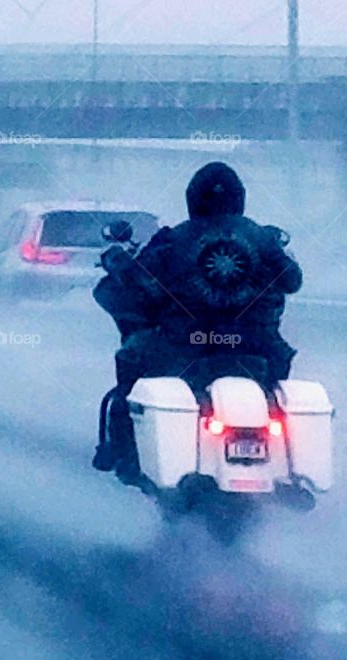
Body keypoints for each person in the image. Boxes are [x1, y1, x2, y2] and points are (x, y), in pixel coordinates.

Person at [92, 161, 302, 479]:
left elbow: (141, 283)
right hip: (260, 348)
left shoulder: (174, 239)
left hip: (186, 347)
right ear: (239, 198)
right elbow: (293, 281)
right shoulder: (261, 238)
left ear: (193, 198)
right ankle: (284, 460)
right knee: (277, 391)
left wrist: (118, 262)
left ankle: (124, 454)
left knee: (130, 359)